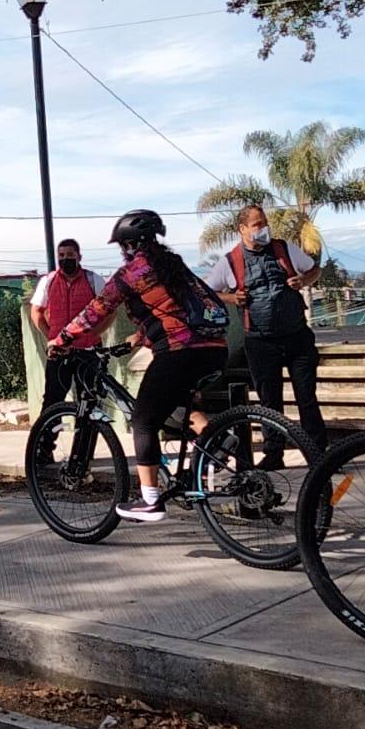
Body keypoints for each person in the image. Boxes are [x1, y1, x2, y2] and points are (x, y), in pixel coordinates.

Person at [49, 210, 228, 523]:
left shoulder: (132, 272)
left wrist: (62, 338)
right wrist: (141, 337)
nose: (123, 251)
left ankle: (150, 500)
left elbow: (97, 310)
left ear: (130, 244)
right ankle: (218, 440)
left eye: (123, 246)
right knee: (178, 405)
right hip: (214, 349)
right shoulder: (172, 265)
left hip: (179, 352)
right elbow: (175, 308)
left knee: (143, 421)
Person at [205, 204, 326, 468]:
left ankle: (318, 453)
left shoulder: (284, 249)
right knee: (269, 403)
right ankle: (274, 455)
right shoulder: (230, 261)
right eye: (257, 225)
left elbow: (314, 269)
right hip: (260, 341)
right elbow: (207, 292)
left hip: (297, 336)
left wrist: (303, 281)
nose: (263, 229)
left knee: (306, 397)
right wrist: (232, 298)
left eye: (264, 223)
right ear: (242, 229)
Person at [30, 239, 107, 443]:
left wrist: (97, 332)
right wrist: (51, 336)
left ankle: (82, 453)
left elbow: (110, 311)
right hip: (59, 351)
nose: (65, 259)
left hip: (88, 351)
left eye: (70, 255)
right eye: (61, 256)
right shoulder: (48, 281)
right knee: (52, 402)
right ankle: (44, 449)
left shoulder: (93, 280)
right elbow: (36, 311)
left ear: (79, 257)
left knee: (88, 402)